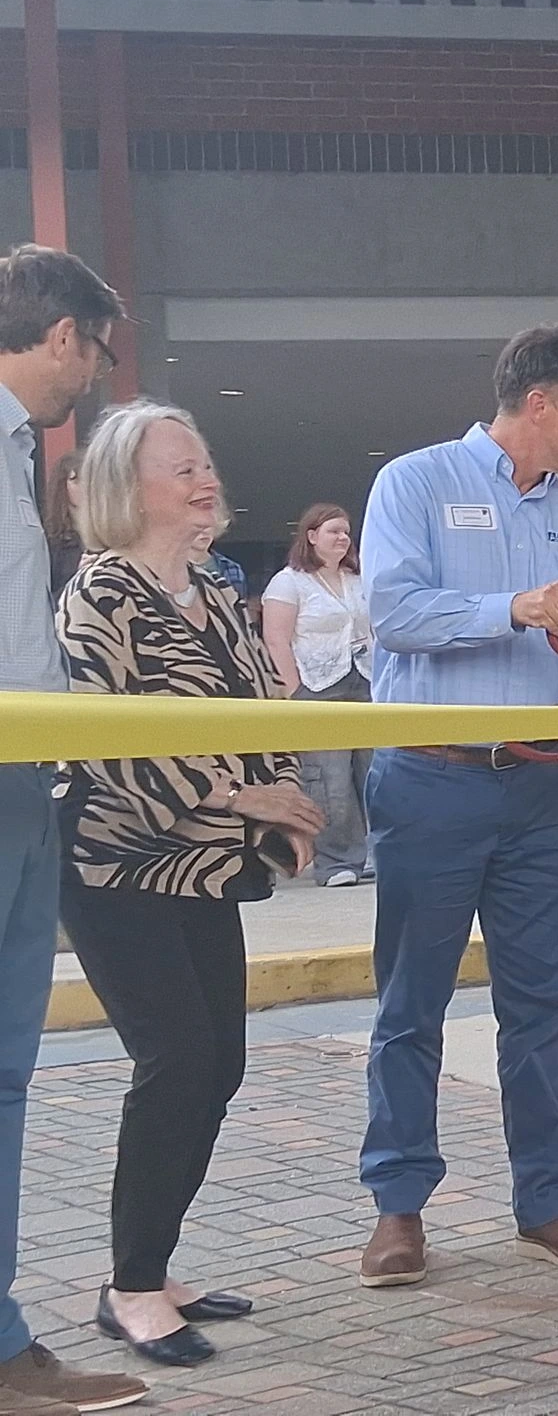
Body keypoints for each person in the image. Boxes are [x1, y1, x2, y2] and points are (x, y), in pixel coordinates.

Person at [355, 325, 558, 1289]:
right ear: (543, 404)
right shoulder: (416, 484)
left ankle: (548, 1201)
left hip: (545, 794)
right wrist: (509, 609)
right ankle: (398, 1209)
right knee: (411, 1004)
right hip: (430, 778)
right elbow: (393, 612)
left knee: (540, 1005)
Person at [56, 403, 324, 1370]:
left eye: (206, 464)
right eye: (182, 469)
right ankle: (131, 1287)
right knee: (174, 1062)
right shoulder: (100, 595)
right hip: (118, 864)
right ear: (132, 486)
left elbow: (267, 708)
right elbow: (110, 746)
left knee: (220, 1065)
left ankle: (152, 1263)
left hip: (205, 868)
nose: (205, 480)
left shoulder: (214, 592)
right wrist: (252, 796)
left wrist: (284, 792)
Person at [0, 243, 152, 1415]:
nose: (95, 376)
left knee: (8, 1075)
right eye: (95, 351)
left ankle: (3, 1346)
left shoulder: (17, 456)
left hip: (23, 785)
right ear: (63, 338)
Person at [262, 503, 375, 887]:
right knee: (330, 780)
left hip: (366, 681)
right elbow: (276, 639)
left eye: (346, 532)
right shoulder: (289, 581)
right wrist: (295, 691)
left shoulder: (359, 579)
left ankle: (376, 853)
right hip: (317, 686)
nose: (343, 538)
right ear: (311, 536)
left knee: (375, 772)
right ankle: (338, 861)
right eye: (334, 531)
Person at [40, 448, 83, 599]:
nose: (85, 486)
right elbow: (43, 600)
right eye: (76, 480)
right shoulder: (50, 543)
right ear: (62, 485)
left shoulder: (111, 536)